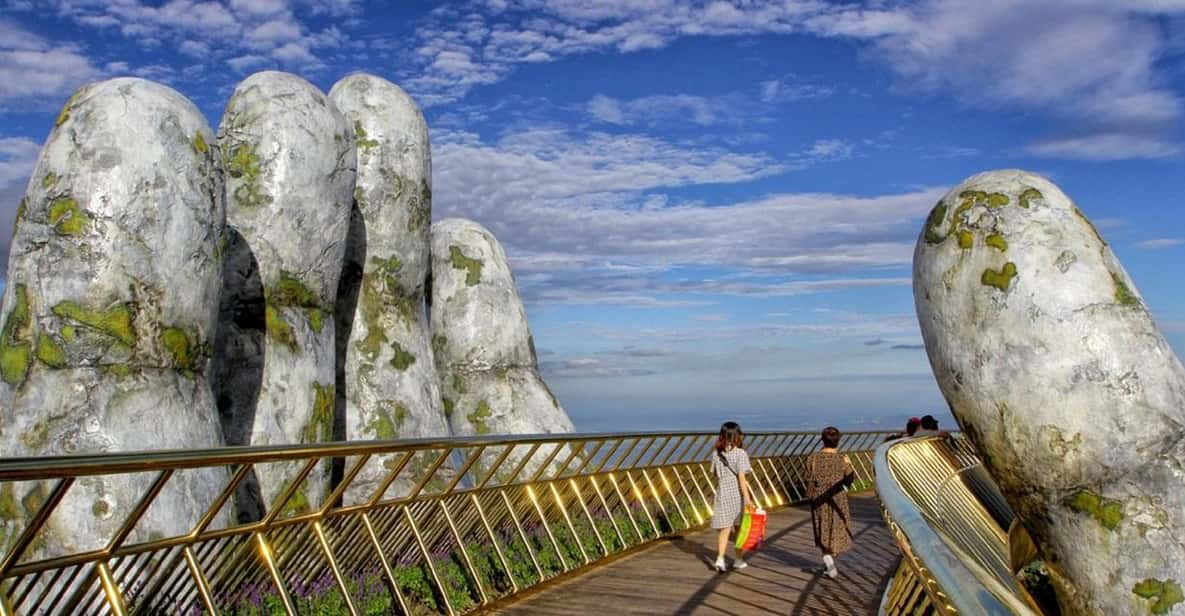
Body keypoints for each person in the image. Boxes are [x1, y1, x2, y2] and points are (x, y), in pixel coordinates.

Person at [806, 426, 855, 579]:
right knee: (838, 526)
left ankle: (827, 558)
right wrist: (849, 465)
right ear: (838, 440)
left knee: (822, 526)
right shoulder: (842, 458)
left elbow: (807, 478)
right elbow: (849, 480)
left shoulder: (813, 458)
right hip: (838, 497)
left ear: (823, 440)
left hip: (819, 498)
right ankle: (830, 557)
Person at [709, 421, 756, 572]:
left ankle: (720, 558)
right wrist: (748, 499)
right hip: (737, 495)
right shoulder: (741, 454)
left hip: (722, 493)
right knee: (738, 529)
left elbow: (715, 474)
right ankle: (738, 559)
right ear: (736, 435)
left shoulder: (716, 453)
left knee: (724, 528)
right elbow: (742, 478)